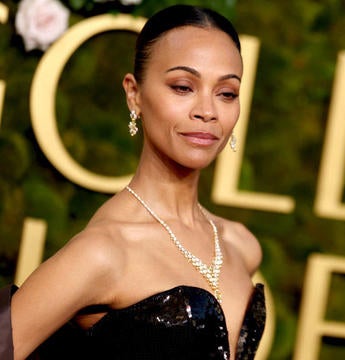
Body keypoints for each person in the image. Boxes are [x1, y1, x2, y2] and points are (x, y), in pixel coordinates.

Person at [0, 4, 265, 359]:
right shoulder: (104, 252)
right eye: (183, 87)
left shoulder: (240, 246)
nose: (208, 111)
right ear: (134, 94)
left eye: (226, 93)